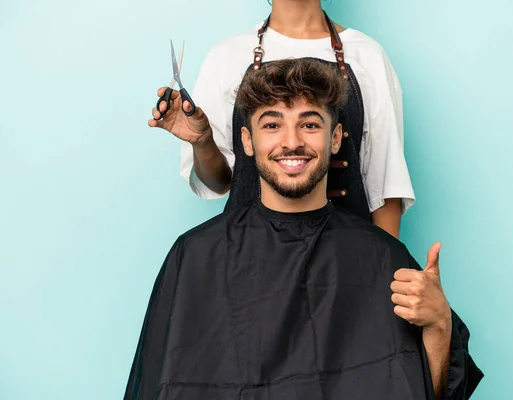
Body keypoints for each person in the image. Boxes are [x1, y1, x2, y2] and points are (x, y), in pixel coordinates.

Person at [132, 58, 483, 400]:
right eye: (272, 125)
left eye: (310, 125)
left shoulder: (383, 258)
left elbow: (422, 389)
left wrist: (439, 326)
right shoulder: (194, 258)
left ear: (335, 138)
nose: (291, 142)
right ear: (248, 141)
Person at [149, 0, 414, 237]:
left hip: (346, 263)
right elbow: (218, 182)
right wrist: (203, 141)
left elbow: (386, 188)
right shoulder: (226, 56)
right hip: (247, 258)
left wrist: (382, 275)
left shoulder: (368, 55)